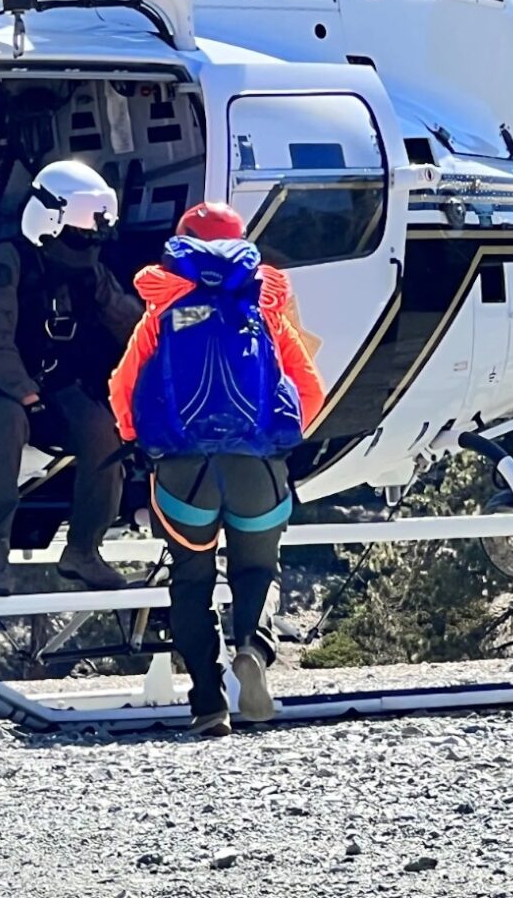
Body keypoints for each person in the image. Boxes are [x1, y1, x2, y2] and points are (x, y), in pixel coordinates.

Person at [109, 201, 325, 735]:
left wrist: (143, 441)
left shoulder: (163, 305)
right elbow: (309, 389)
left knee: (191, 581)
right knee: (256, 569)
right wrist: (278, 438)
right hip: (258, 469)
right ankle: (252, 645)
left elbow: (123, 388)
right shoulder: (263, 302)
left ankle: (208, 703)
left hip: (184, 473)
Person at [0, 160, 142, 596]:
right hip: (2, 382)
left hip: (54, 382)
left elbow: (125, 317)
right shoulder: (7, 261)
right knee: (4, 426)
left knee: (104, 433)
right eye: (79, 236)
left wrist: (165, 343)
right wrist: (25, 393)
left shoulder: (88, 269)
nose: (86, 246)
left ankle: (83, 550)